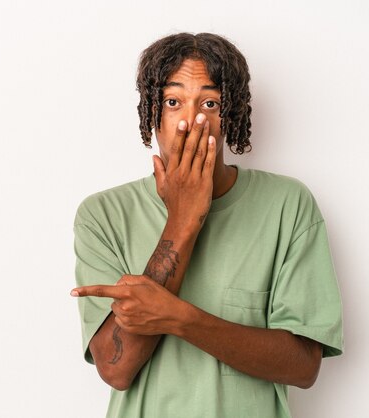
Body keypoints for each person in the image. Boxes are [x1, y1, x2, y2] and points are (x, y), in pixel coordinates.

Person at [70, 32, 343, 418]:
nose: (190, 121)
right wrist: (183, 220)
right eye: (172, 101)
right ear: (152, 115)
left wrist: (179, 318)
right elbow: (116, 368)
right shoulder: (103, 214)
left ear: (231, 116)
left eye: (210, 103)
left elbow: (302, 366)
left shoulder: (287, 204)